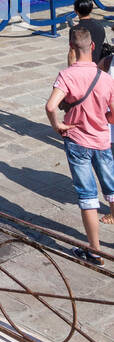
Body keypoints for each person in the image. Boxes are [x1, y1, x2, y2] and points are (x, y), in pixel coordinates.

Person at [45, 25, 114, 265]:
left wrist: (57, 126)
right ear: (93, 46)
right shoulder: (106, 78)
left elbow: (51, 106)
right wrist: (105, 120)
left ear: (71, 47)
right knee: (112, 189)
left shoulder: (67, 75)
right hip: (102, 141)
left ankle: (95, 251)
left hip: (77, 141)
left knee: (88, 197)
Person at [71, 0, 108, 67]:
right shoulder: (99, 26)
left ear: (76, 11)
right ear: (91, 10)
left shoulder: (75, 30)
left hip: (82, 66)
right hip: (98, 64)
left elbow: (72, 54)